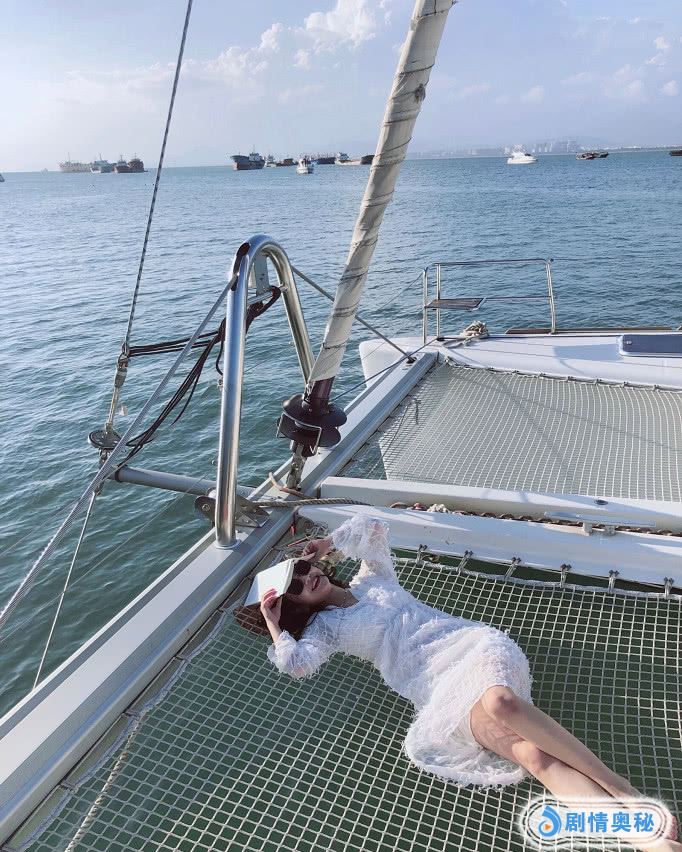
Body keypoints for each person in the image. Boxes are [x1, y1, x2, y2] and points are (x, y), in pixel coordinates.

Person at [248, 513, 679, 850]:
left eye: (302, 569)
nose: (306, 578)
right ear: (295, 606)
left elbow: (373, 527)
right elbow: (296, 664)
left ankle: (621, 788)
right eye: (296, 587)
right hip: (434, 684)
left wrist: (327, 544)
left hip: (469, 646)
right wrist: (272, 622)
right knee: (532, 756)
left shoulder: (372, 577)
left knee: (501, 704)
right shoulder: (324, 629)